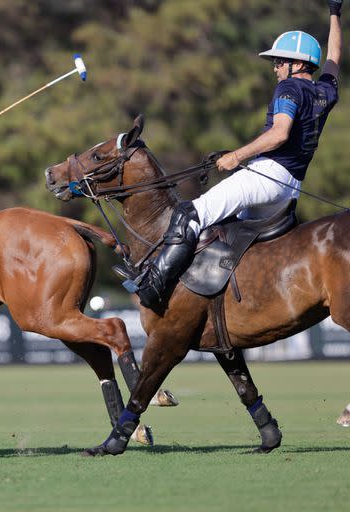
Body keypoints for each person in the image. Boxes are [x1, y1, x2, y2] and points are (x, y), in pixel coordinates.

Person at [135, 1, 343, 310]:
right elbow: (334, 56)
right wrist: (335, 12)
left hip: (268, 176)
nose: (275, 68)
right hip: (290, 189)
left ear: (297, 64)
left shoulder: (288, 89)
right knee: (226, 232)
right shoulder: (326, 90)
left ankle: (152, 286)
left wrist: (236, 156)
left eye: (279, 62)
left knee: (190, 214)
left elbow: (279, 133)